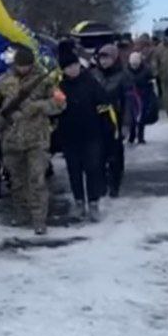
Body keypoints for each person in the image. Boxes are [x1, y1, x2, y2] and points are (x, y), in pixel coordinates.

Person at [0, 46, 65, 234]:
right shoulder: (4, 80)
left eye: (26, 66)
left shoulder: (45, 81)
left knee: (37, 179)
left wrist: (39, 106)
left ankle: (39, 219)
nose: (23, 70)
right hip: (11, 139)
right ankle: (21, 214)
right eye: (20, 66)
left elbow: (61, 102)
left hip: (37, 140)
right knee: (17, 180)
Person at [56, 40, 111, 222]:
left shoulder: (90, 82)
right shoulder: (59, 88)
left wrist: (106, 128)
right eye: (68, 67)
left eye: (74, 66)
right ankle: (79, 201)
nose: (72, 70)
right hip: (70, 135)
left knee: (93, 168)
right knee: (74, 170)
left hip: (92, 134)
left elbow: (103, 105)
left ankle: (94, 202)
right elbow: (55, 110)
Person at [91, 43, 130, 197]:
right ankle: (101, 183)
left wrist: (127, 123)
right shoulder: (94, 74)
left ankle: (115, 183)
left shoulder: (123, 76)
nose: (104, 62)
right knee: (97, 153)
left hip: (115, 119)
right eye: (101, 58)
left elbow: (129, 101)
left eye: (107, 58)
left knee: (115, 153)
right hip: (97, 119)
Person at [126, 51, 159, 144]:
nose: (134, 65)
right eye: (133, 63)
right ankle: (131, 136)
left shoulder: (147, 70)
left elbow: (152, 83)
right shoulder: (126, 71)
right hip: (131, 96)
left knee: (142, 118)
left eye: (136, 63)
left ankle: (140, 137)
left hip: (143, 95)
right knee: (132, 117)